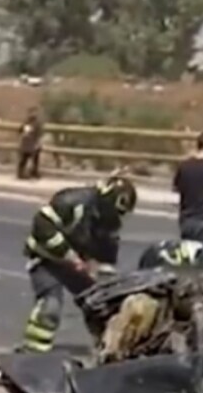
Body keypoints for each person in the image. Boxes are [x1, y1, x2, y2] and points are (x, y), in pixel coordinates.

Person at [21, 175, 138, 353]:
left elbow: (107, 255)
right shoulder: (72, 201)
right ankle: (34, 351)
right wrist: (69, 255)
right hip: (47, 259)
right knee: (50, 307)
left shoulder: (109, 223)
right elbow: (42, 226)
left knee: (102, 303)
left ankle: (107, 349)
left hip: (78, 265)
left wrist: (106, 280)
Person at [16, 107, 44, 180]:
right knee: (24, 159)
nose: (32, 114)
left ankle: (34, 171)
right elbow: (20, 130)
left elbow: (39, 134)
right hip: (26, 142)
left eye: (34, 112)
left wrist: (39, 143)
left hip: (33, 143)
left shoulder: (37, 123)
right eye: (31, 112)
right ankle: (21, 173)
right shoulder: (26, 122)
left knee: (35, 159)